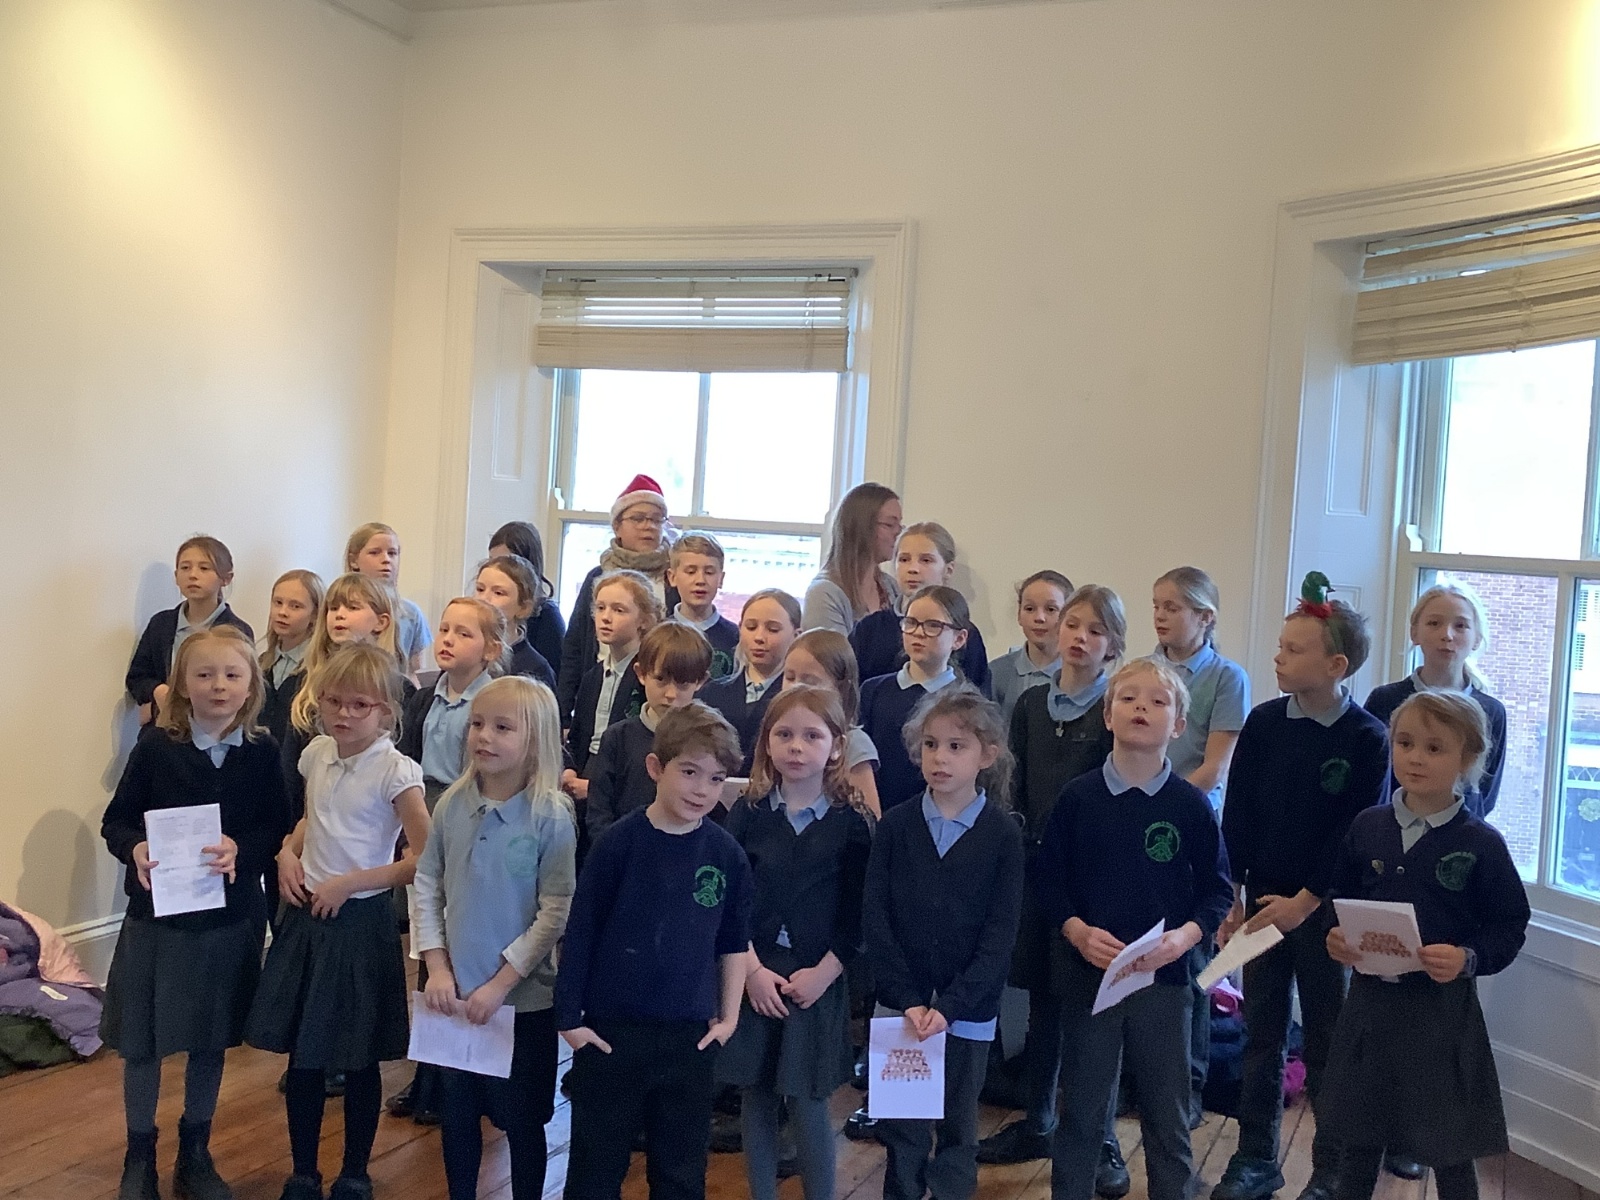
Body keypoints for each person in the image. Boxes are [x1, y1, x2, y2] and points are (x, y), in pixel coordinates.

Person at [1212, 574, 1389, 1200]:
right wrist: (1234, 894)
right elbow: (1239, 812)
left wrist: (1307, 901)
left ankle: (1330, 1167)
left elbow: (1353, 832)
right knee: (1261, 1034)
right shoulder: (1264, 723)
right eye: (1280, 646)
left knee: (1327, 1039)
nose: (1278, 657)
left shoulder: (1367, 738)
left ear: (1336, 665)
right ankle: (1255, 1157)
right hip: (1262, 905)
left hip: (1325, 912)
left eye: (1294, 649)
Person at [101, 626, 289, 1200]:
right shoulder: (156, 747)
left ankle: (195, 1153)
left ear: (251, 685)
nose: (218, 685)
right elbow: (116, 821)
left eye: (232, 674)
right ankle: (139, 1157)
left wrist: (242, 850)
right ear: (182, 683)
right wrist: (135, 848)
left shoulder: (263, 752)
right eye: (204, 674)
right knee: (143, 1041)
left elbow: (277, 827)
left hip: (228, 919)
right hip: (157, 919)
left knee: (210, 1038)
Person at [1320, 692, 1529, 1200]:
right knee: (1359, 1137)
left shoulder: (1481, 843)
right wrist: (1336, 936)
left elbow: (1509, 924)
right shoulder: (1368, 826)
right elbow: (1338, 897)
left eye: (1434, 748)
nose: (1415, 758)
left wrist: (1467, 958)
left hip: (1441, 1015)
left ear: (1468, 759)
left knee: (1449, 1144)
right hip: (1370, 1007)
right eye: (1406, 743)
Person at [1038, 659, 1233, 1200]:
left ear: (1178, 725)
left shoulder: (1190, 805)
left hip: (1164, 984)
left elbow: (1217, 891)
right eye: (1128, 698)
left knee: (1168, 1114)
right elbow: (1049, 881)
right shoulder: (1078, 799)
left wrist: (1184, 938)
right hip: (1090, 980)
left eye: (1157, 701)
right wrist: (1077, 931)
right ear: (1108, 715)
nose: (1141, 707)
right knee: (1082, 1112)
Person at [247, 643, 431, 1200]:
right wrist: (287, 851)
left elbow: (424, 859)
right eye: (333, 702)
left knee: (358, 1056)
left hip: (360, 923)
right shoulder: (317, 754)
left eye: (359, 705)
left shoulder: (396, 772)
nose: (343, 714)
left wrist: (349, 884)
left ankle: (355, 1172)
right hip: (309, 918)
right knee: (305, 1056)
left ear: (385, 712)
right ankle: (303, 1171)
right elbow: (313, 818)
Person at [554, 702, 754, 1200]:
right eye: (689, 772)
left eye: (715, 779)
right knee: (595, 1171)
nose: (701, 789)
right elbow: (581, 931)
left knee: (681, 1174)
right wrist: (569, 1018)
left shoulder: (725, 854)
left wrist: (729, 1018)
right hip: (611, 1033)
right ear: (655, 767)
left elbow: (733, 941)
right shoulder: (617, 845)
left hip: (689, 1036)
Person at [414, 676, 578, 1200]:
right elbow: (427, 884)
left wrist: (501, 983)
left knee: (523, 1121)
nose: (484, 736)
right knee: (457, 1116)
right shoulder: (451, 804)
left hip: (522, 1004)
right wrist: (437, 967)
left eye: (502, 728)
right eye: (477, 724)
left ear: (536, 739)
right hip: (455, 997)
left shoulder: (551, 816)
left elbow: (555, 910)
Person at [979, 585, 1122, 1183]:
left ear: (1113, 645)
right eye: (1072, 624)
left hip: (1090, 882)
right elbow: (1011, 782)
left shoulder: (1113, 707)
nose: (1079, 637)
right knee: (1041, 1001)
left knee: (1092, 1012)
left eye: (1095, 630)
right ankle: (1037, 1119)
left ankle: (1100, 1139)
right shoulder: (1033, 703)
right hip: (1037, 872)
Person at [863, 684, 1025, 1200]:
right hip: (902, 1007)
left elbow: (999, 935)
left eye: (956, 746)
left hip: (967, 1010)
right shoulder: (896, 826)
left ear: (986, 756)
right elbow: (877, 920)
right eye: (931, 745)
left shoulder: (1002, 834)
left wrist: (951, 1006)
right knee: (902, 1127)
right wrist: (908, 999)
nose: (940, 758)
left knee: (958, 1123)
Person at [719, 687, 872, 1200]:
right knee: (757, 1094)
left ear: (836, 746)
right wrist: (751, 971)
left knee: (808, 1100)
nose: (797, 746)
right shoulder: (748, 813)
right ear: (767, 742)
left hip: (816, 976)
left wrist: (825, 973)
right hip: (756, 971)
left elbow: (859, 914)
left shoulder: (852, 824)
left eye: (811, 736)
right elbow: (730, 902)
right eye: (784, 734)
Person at [1150, 566, 1251, 1136]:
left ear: (1205, 617)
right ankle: (1142, 1081)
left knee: (1190, 966)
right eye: (1156, 605)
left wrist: (1161, 801)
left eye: (1173, 607)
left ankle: (1189, 1088)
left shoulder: (1226, 677)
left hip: (1191, 824)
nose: (1161, 616)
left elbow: (1215, 766)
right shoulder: (1145, 670)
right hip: (1142, 821)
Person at [1364, 581, 1507, 820]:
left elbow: (1485, 792)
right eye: (1434, 623)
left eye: (1460, 626)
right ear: (1414, 633)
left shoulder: (1491, 711)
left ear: (1477, 638)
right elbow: (1373, 778)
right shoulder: (1384, 700)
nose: (1447, 635)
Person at [557, 474, 679, 723]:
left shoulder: (672, 578)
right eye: (638, 518)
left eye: (656, 519)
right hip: (600, 686)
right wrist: (564, 713)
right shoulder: (598, 576)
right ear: (617, 526)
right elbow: (575, 648)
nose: (648, 526)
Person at [587, 620, 714, 841]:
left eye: (683, 683)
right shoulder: (617, 738)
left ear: (700, 681)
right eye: (661, 679)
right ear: (641, 673)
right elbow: (599, 811)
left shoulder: (710, 740)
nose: (671, 694)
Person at [859, 585, 973, 812]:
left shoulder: (966, 702)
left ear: (959, 638)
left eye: (933, 626)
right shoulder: (873, 690)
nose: (919, 633)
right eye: (911, 623)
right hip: (877, 811)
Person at [849, 522, 992, 695]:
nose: (913, 569)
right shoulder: (869, 629)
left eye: (926, 560)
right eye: (904, 559)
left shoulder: (964, 634)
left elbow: (978, 698)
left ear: (948, 570)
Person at [126, 536, 253, 726]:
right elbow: (137, 676)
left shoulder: (237, 630)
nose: (193, 575)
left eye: (204, 568)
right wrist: (157, 692)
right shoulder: (161, 624)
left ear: (226, 578)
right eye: (185, 567)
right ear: (176, 576)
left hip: (216, 727)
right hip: (163, 725)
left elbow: (244, 687)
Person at [561, 570, 660, 796]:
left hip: (624, 782)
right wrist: (570, 770)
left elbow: (642, 749)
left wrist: (595, 788)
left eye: (619, 610)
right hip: (588, 770)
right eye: (600, 608)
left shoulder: (649, 677)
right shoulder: (593, 676)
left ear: (644, 620)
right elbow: (577, 737)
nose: (606, 617)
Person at [699, 589, 803, 776]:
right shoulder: (711, 693)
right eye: (751, 627)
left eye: (773, 629)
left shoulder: (800, 700)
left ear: (796, 635)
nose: (759, 638)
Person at [782, 629, 882, 817]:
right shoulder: (778, 733)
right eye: (789, 677)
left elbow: (870, 818)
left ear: (840, 688)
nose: (795, 688)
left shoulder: (853, 743)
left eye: (809, 681)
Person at [802, 483, 902, 634]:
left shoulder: (890, 587)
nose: (898, 533)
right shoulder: (824, 594)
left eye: (899, 525)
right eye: (890, 524)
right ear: (862, 527)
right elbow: (830, 650)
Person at [345, 522, 430, 682]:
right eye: (375, 553)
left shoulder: (410, 613)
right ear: (354, 561)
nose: (386, 559)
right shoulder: (339, 610)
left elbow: (413, 671)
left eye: (392, 553)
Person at [989, 570, 1073, 724]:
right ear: (1019, 615)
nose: (1039, 618)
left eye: (1051, 609)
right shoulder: (995, 673)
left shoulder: (1077, 674)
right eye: (1029, 609)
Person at [488, 520, 566, 672]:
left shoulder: (547, 617)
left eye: (506, 564)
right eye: (491, 561)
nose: (496, 570)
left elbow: (553, 670)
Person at [260, 570, 324, 745]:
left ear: (315, 614)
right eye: (278, 603)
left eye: (295, 606)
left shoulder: (321, 669)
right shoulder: (261, 664)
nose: (283, 612)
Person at [474, 554, 557, 689]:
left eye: (498, 593)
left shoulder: (534, 668)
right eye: (480, 589)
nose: (484, 598)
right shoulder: (466, 653)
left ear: (524, 608)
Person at [668, 532, 740, 680]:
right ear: (672, 577)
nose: (700, 580)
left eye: (709, 572)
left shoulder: (736, 638)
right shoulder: (656, 635)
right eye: (691, 572)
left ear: (721, 579)